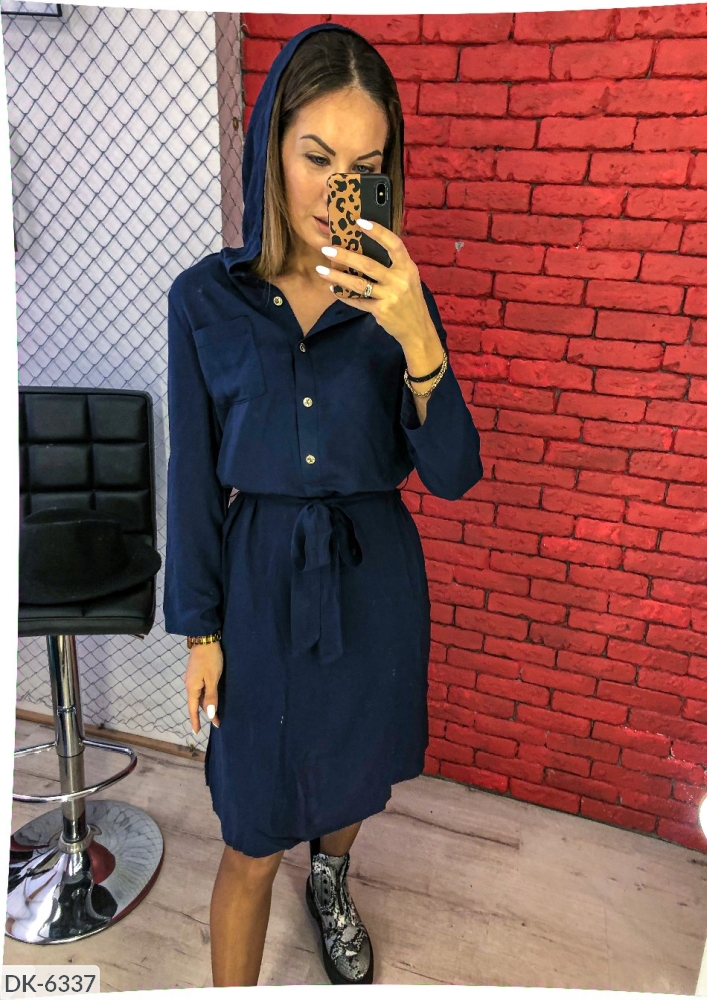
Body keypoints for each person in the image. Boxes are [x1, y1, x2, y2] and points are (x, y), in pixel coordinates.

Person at [163, 21, 483, 988]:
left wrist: (418, 334)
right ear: (271, 149)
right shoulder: (204, 300)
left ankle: (333, 877)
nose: (337, 189)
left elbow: (454, 473)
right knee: (251, 829)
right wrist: (200, 631)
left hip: (371, 576)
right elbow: (192, 474)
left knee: (353, 772)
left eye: (365, 168)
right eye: (315, 157)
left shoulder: (397, 300)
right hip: (257, 582)